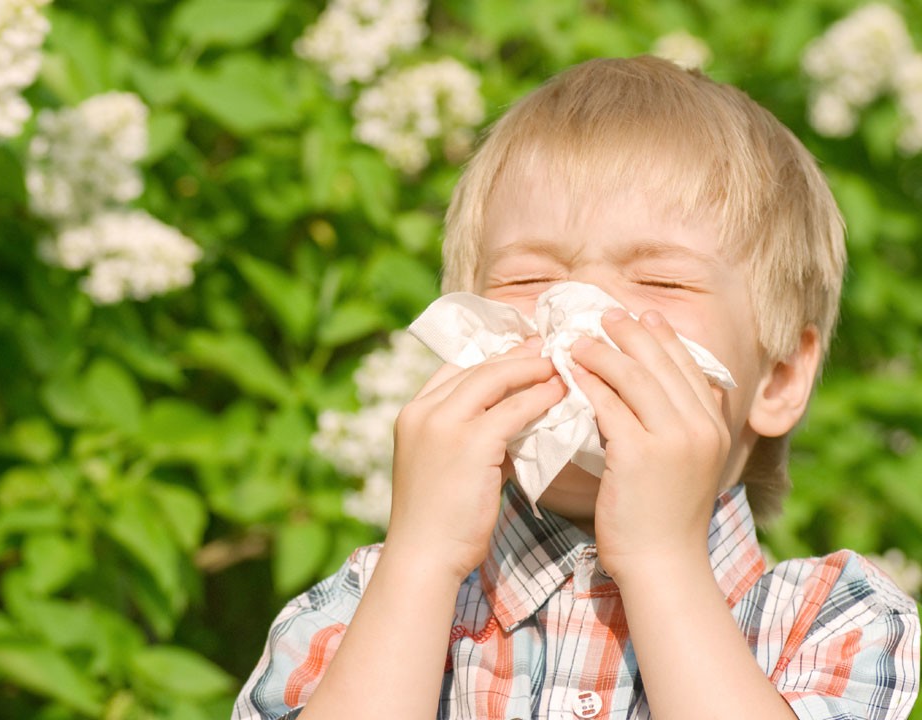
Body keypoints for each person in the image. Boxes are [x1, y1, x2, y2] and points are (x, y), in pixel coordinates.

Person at [232, 56, 921, 719]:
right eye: (530, 278)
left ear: (778, 378)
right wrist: (422, 558)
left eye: (661, 282)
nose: (578, 311)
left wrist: (661, 562)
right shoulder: (363, 608)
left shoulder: (832, 619)